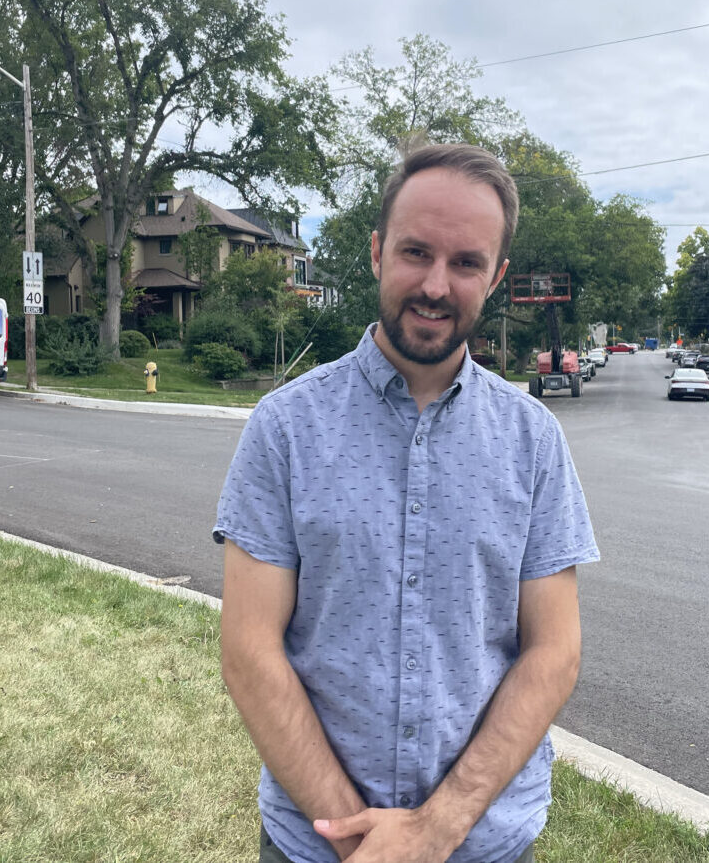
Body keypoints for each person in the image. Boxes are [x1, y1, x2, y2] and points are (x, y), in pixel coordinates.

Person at [216, 143, 599, 863]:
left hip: (484, 843)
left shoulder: (534, 441)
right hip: (317, 845)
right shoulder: (286, 428)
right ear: (376, 252)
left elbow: (555, 652)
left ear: (497, 276)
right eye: (416, 252)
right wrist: (360, 839)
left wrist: (435, 829)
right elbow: (248, 651)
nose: (435, 284)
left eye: (465, 263)